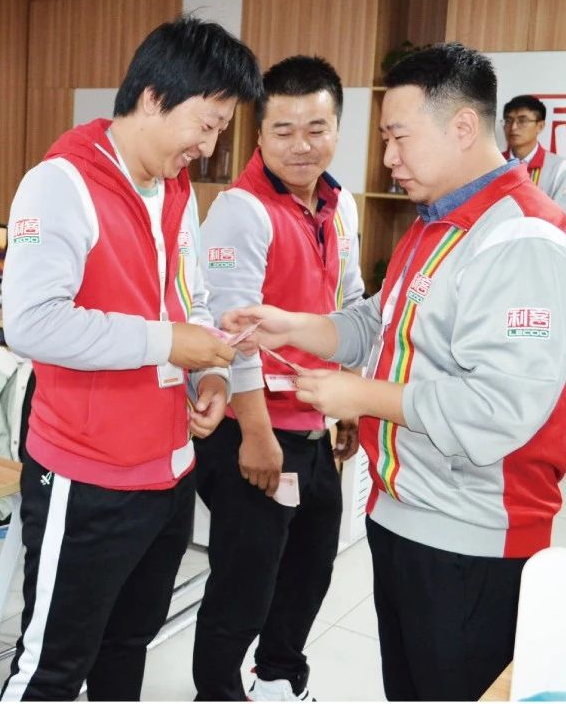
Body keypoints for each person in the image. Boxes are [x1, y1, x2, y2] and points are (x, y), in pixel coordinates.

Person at [226, 43, 566, 701]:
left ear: (462, 127)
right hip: (403, 511)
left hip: (471, 536)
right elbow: (379, 322)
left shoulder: (525, 241)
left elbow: (497, 409)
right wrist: (295, 325)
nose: (388, 157)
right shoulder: (436, 224)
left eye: (399, 137)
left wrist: (360, 395)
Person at [0, 15, 261, 701]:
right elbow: (31, 322)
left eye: (220, 130)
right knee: (52, 667)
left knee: (127, 647)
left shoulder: (175, 188)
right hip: (87, 476)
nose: (208, 147)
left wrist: (210, 373)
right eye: (205, 124)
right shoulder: (61, 183)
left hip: (167, 472)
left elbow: (190, 297)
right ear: (152, 97)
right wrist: (168, 341)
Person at [193, 55, 363, 702]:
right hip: (255, 430)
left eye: (316, 128)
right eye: (283, 129)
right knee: (244, 583)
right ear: (259, 133)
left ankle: (279, 678)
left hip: (314, 424)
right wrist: (257, 435)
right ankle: (217, 692)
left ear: (337, 128)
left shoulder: (339, 204)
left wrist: (349, 402)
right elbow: (232, 334)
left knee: (310, 568)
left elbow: (351, 304)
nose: (301, 145)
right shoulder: (241, 210)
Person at [502, 94, 566, 211]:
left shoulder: (559, 168)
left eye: (522, 121)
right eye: (509, 120)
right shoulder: (493, 164)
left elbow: (559, 216)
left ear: (540, 126)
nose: (513, 127)